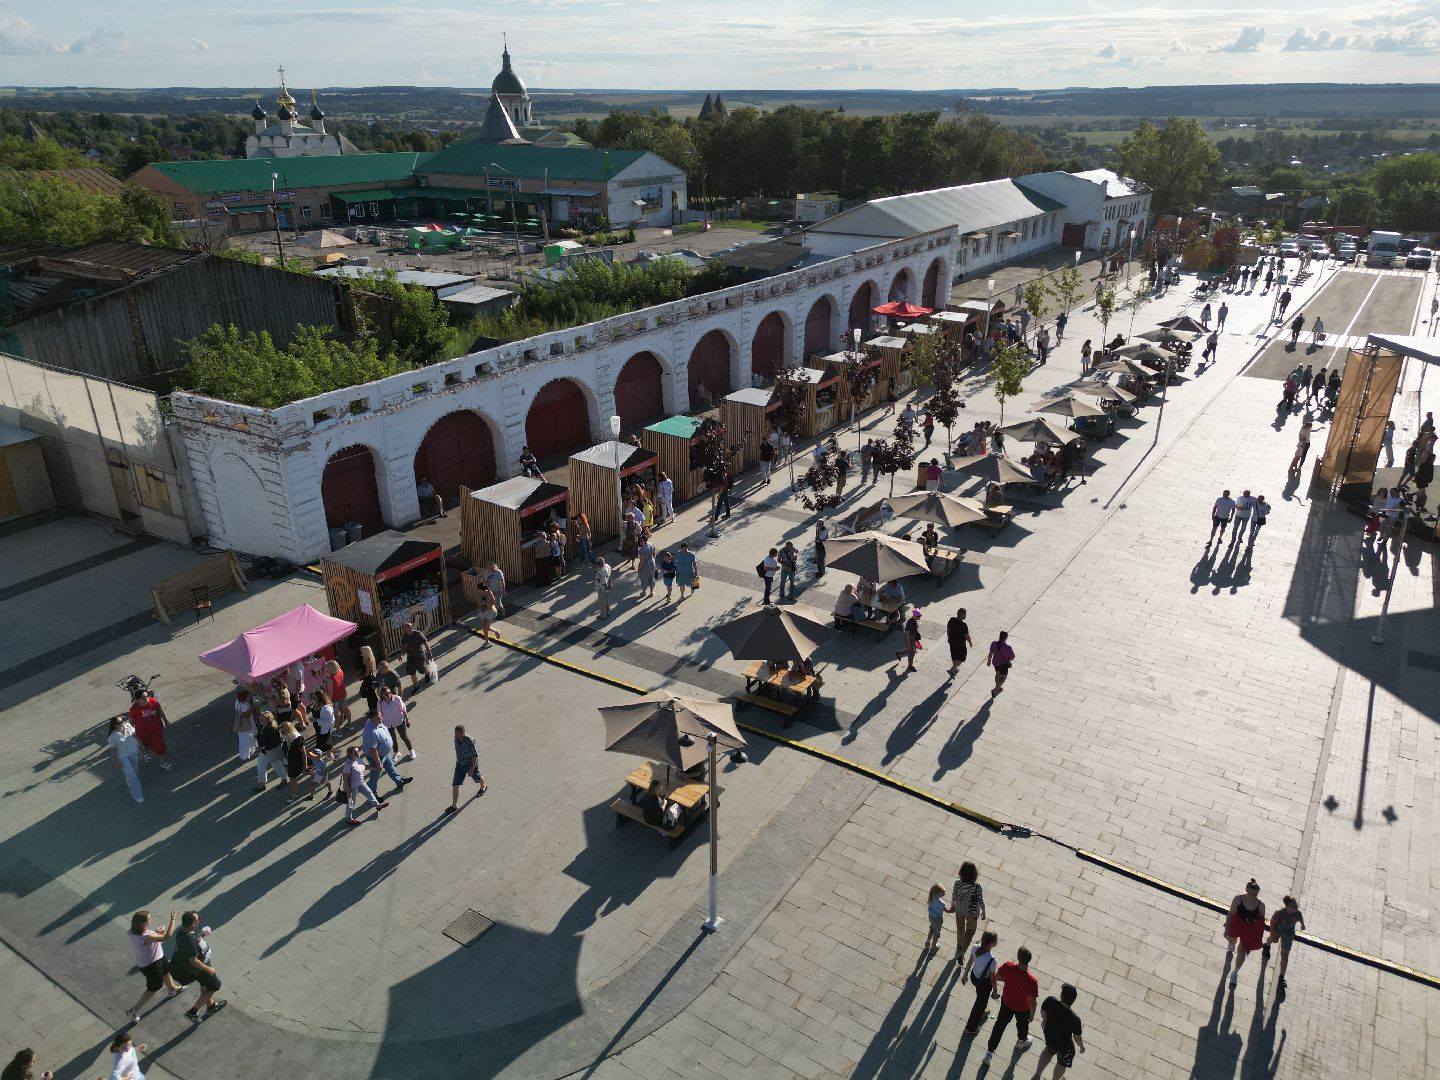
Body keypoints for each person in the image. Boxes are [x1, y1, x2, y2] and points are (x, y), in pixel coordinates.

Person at [983, 946, 1039, 1064]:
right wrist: (1032, 1015)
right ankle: (1021, 1041)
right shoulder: (1032, 981)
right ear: (1029, 960)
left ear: (1018, 958)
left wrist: (1009, 980)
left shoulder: (1008, 966)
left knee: (999, 1026)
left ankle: (989, 1053)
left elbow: (997, 977)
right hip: (1023, 1008)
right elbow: (1033, 1002)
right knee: (1022, 1025)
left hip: (1006, 1003)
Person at [126, 909, 182, 1022]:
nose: (151, 920)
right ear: (143, 923)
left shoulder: (133, 931)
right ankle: (134, 1010)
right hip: (150, 965)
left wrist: (156, 933)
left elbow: (148, 942)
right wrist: (173, 919)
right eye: (149, 919)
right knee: (153, 988)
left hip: (158, 957)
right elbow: (167, 937)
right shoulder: (146, 936)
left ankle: (172, 989)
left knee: (166, 972)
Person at [170, 911, 226, 1023]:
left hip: (200, 967)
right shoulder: (188, 940)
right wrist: (209, 969)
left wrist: (202, 936)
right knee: (215, 985)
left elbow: (195, 943)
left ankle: (211, 1007)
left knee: (205, 985)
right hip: (201, 967)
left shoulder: (182, 931)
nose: (199, 921)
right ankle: (193, 1012)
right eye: (197, 920)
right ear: (193, 923)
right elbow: (194, 961)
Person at [1033, 983, 1086, 1079]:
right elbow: (1077, 1037)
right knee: (1062, 1063)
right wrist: (1081, 1047)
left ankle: (1037, 1074)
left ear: (1061, 995)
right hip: (1065, 1046)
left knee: (1048, 1052)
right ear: (1073, 1000)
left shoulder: (1051, 1001)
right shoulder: (1075, 1019)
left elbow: (1043, 1012)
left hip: (1050, 1037)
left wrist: (1045, 1020)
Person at [1224, 878, 1266, 989]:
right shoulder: (1238, 899)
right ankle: (1231, 945)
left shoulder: (1261, 906)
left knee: (1242, 951)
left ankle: (1235, 973)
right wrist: (1227, 927)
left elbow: (1261, 923)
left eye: (1254, 893)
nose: (1252, 895)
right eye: (1250, 892)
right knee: (1232, 941)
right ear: (1246, 890)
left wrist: (1255, 927)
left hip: (1249, 929)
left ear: (1257, 893)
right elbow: (1231, 913)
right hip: (1237, 924)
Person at [961, 930, 1000, 1036]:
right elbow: (992, 979)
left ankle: (982, 1011)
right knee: (979, 1003)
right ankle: (970, 1028)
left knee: (981, 999)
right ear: (991, 943)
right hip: (984, 983)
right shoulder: (992, 959)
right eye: (996, 940)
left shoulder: (975, 947)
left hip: (974, 977)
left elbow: (970, 962)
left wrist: (965, 975)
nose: (997, 942)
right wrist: (995, 991)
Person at [362, 711, 411, 797]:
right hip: (376, 757)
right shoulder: (372, 732)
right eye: (378, 718)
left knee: (390, 767)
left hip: (383, 753)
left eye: (380, 716)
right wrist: (378, 764)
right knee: (375, 776)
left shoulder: (375, 722)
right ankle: (372, 794)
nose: (381, 718)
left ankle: (399, 781)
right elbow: (373, 750)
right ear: (372, 719)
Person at [1266, 895, 1306, 992]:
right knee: (1270, 940)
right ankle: (1266, 946)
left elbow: (1300, 919)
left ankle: (1281, 977)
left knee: (1284, 955)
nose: (1296, 908)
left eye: (1296, 905)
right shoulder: (1280, 913)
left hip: (1288, 934)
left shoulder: (1297, 913)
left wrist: (1302, 925)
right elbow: (1272, 923)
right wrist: (1272, 934)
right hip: (1278, 931)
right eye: (1293, 906)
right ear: (1287, 906)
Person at [340, 744, 387, 826]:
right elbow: (345, 780)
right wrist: (348, 793)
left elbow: (364, 767)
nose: (358, 753)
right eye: (355, 753)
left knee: (369, 792)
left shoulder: (358, 759)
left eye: (358, 751)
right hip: (352, 787)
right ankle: (348, 819)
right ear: (350, 754)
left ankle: (377, 806)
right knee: (351, 802)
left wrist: (376, 768)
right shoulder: (348, 765)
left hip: (361, 782)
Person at [127, 691, 173, 772]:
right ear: (138, 700)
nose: (147, 698)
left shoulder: (153, 701)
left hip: (156, 730)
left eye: (147, 696)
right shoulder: (134, 709)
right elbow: (131, 721)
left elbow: (160, 711)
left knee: (160, 745)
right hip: (142, 732)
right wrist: (132, 732)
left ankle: (163, 762)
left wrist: (165, 720)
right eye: (144, 697)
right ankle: (144, 752)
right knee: (144, 745)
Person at [446, 724, 487, 813]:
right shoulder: (456, 739)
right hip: (460, 764)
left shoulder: (470, 741)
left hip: (470, 764)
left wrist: (472, 768)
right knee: (455, 784)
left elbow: (475, 756)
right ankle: (454, 805)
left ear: (462, 733)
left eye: (456, 733)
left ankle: (483, 786)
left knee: (477, 777)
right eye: (454, 733)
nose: (455, 735)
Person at [951, 860, 987, 959]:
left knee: (960, 929)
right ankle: (962, 952)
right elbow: (980, 900)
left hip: (959, 909)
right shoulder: (977, 887)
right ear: (974, 874)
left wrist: (952, 906)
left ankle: (959, 946)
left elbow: (954, 895)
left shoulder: (957, 883)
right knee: (970, 931)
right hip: (971, 912)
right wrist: (983, 911)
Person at [106, 715, 144, 804]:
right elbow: (113, 751)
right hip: (123, 757)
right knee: (132, 776)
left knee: (135, 769)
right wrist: (116, 762)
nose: (122, 723)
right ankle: (138, 796)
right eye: (119, 723)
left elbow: (135, 735)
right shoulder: (112, 737)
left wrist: (141, 745)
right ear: (114, 725)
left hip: (133, 751)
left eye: (122, 721)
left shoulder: (128, 726)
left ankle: (129, 780)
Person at [377, 684, 416, 762]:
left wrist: (407, 719)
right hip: (388, 723)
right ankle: (396, 752)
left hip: (399, 721)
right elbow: (379, 713)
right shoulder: (380, 703)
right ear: (382, 695)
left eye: (389, 692)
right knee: (392, 739)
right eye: (386, 694)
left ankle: (411, 750)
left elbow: (403, 709)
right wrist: (380, 723)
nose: (388, 695)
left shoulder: (396, 699)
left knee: (404, 737)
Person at [279, 722, 312, 805]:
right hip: (292, 762)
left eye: (282, 732)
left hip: (300, 761)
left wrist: (305, 765)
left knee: (308, 772)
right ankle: (294, 795)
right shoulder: (285, 737)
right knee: (292, 778)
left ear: (288, 730)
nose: (281, 734)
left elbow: (303, 753)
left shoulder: (297, 738)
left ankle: (322, 774)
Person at [923, 884, 951, 955]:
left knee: (932, 927)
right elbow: (947, 910)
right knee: (936, 933)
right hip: (937, 919)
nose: (944, 894)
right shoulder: (941, 903)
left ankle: (928, 941)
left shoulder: (931, 898)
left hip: (931, 917)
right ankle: (934, 946)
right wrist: (953, 908)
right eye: (943, 892)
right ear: (938, 894)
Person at [232, 688, 257, 763]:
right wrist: (252, 706)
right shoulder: (244, 705)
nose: (249, 697)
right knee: (251, 737)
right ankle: (251, 752)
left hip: (240, 724)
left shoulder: (237, 703)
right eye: (248, 696)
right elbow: (247, 715)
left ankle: (245, 754)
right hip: (247, 723)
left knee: (242, 739)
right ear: (245, 698)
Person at [947, 608, 973, 677]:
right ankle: (952, 669)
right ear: (961, 615)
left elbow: (948, 629)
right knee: (961, 659)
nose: (965, 616)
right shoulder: (963, 625)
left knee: (955, 656)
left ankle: (954, 670)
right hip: (960, 645)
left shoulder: (951, 620)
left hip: (952, 643)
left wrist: (949, 637)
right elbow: (967, 636)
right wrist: (970, 642)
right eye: (965, 615)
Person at [895, 608, 922, 673]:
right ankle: (910, 666)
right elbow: (907, 634)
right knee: (912, 652)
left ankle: (899, 654)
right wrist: (909, 643)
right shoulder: (910, 623)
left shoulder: (914, 620)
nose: (919, 617)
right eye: (918, 616)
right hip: (909, 639)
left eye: (920, 616)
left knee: (912, 650)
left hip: (913, 638)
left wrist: (916, 641)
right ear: (914, 616)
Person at [636, 531, 658, 600]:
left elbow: (642, 561)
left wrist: (639, 569)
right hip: (652, 562)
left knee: (644, 579)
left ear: (643, 541)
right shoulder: (651, 544)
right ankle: (651, 592)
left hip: (645, 566)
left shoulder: (642, 550)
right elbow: (654, 554)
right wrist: (653, 561)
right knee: (651, 578)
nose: (639, 542)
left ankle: (644, 591)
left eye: (640, 541)